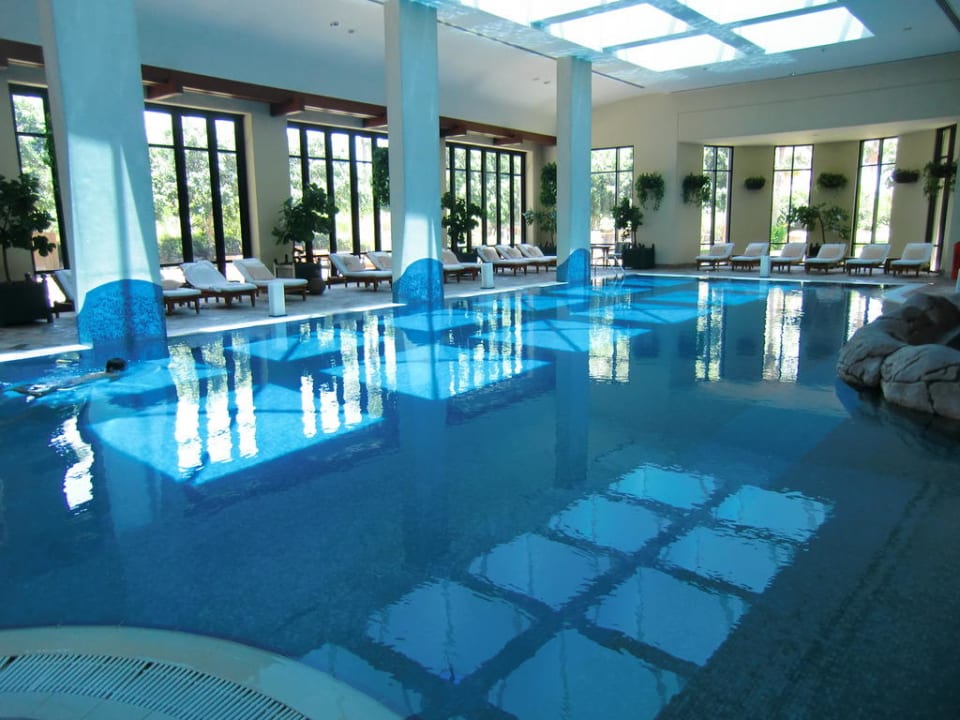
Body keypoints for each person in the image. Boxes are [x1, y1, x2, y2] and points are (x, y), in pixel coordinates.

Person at [10, 357, 127, 398]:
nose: (122, 370)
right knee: (45, 392)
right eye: (121, 368)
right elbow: (112, 385)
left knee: (51, 385)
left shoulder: (103, 372)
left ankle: (22, 388)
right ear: (112, 369)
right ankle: (20, 390)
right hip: (76, 383)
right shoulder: (113, 375)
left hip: (74, 379)